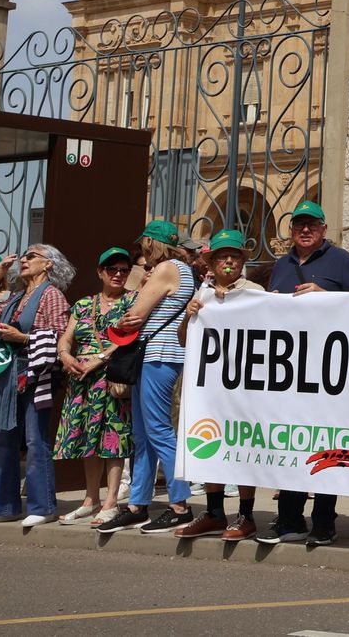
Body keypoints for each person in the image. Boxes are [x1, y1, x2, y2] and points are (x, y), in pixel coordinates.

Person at [255, 200, 349, 546]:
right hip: (289, 375)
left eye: (312, 225)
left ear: (324, 230)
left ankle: (323, 522)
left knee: (326, 447)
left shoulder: (342, 260)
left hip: (328, 373)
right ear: (290, 230)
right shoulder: (282, 265)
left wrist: (325, 294)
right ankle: (288, 520)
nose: (305, 230)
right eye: (299, 224)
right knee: (289, 443)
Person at [98, 221, 196, 534]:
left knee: (157, 430)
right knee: (142, 435)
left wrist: (140, 287)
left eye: (144, 245)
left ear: (152, 243)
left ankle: (180, 504)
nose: (141, 251)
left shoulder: (168, 268)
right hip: (153, 356)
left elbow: (134, 315)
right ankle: (137, 505)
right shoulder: (174, 269)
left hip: (161, 355)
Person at [170, 230, 264, 540]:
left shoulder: (254, 290)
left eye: (234, 256)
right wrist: (189, 316)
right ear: (212, 261)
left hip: (245, 384)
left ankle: (246, 515)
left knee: (243, 446)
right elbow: (185, 340)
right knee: (209, 442)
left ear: (241, 261)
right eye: (222, 256)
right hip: (210, 385)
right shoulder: (202, 292)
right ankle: (213, 512)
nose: (228, 261)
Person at [0, 245, 70, 528]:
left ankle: (43, 506)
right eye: (24, 256)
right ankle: (2, 506)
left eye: (32, 257)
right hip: (8, 375)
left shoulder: (52, 295)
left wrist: (24, 338)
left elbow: (60, 334)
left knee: (34, 440)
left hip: (34, 373)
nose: (24, 261)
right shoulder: (17, 297)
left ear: (48, 265)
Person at [53, 247, 135, 527]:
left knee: (114, 438)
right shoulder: (83, 304)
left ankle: (111, 500)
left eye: (124, 270)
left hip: (112, 378)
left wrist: (97, 360)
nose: (118, 274)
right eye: (112, 269)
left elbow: (129, 338)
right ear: (100, 272)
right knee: (88, 439)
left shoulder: (133, 302)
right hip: (82, 380)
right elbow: (66, 338)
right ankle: (91, 499)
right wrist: (66, 356)